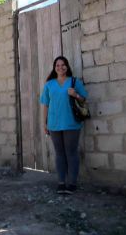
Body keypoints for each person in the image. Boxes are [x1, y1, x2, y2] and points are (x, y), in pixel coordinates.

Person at [40, 56, 88, 195]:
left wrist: (76, 95)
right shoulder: (49, 84)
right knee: (59, 154)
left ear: (67, 66)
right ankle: (61, 182)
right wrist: (44, 123)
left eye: (63, 65)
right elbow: (45, 105)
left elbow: (84, 99)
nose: (60, 67)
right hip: (54, 124)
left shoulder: (74, 82)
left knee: (71, 153)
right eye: (57, 65)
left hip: (71, 123)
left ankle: (72, 183)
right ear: (54, 68)